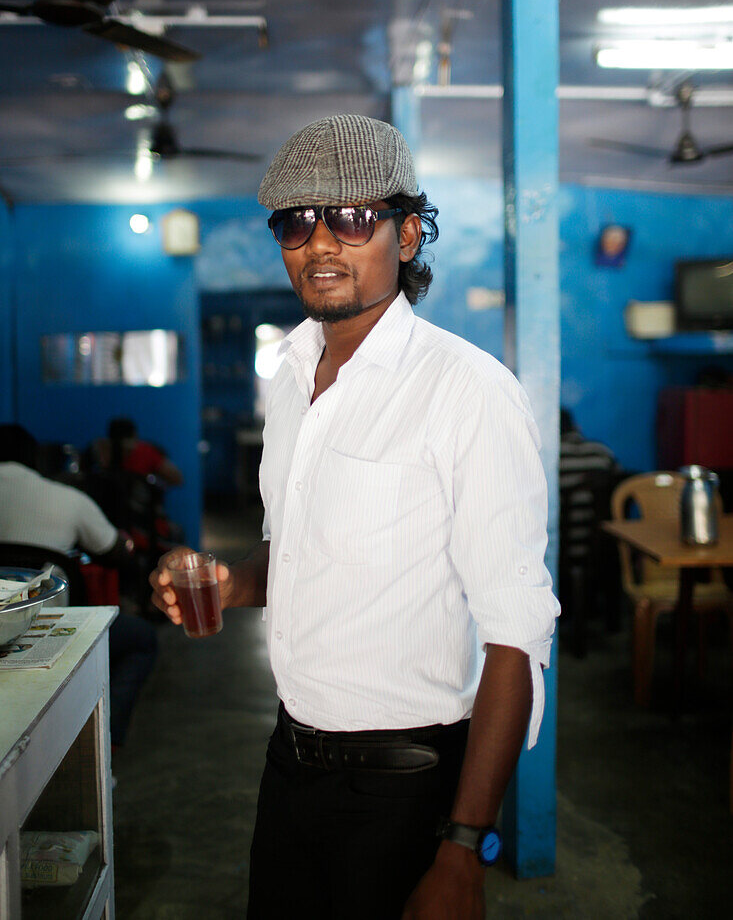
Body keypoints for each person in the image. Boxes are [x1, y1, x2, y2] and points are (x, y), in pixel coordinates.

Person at [151, 114, 560, 920]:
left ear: (406, 237)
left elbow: (516, 635)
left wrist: (463, 848)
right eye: (296, 222)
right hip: (288, 759)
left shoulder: (466, 392)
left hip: (405, 787)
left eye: (351, 218)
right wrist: (228, 585)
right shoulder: (291, 374)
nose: (321, 244)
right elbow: (296, 551)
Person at [0, 423, 157, 748]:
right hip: (44, 633)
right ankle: (103, 740)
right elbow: (116, 551)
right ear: (36, 459)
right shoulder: (68, 498)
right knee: (142, 639)